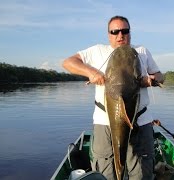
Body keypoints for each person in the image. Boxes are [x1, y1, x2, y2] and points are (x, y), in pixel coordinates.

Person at [62, 15, 164, 180]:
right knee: (106, 173)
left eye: (124, 31)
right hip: (105, 123)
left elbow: (160, 76)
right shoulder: (97, 51)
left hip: (141, 121)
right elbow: (68, 62)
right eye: (115, 31)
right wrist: (91, 72)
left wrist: (151, 81)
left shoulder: (142, 51)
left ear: (130, 32)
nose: (120, 35)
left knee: (141, 173)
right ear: (108, 34)